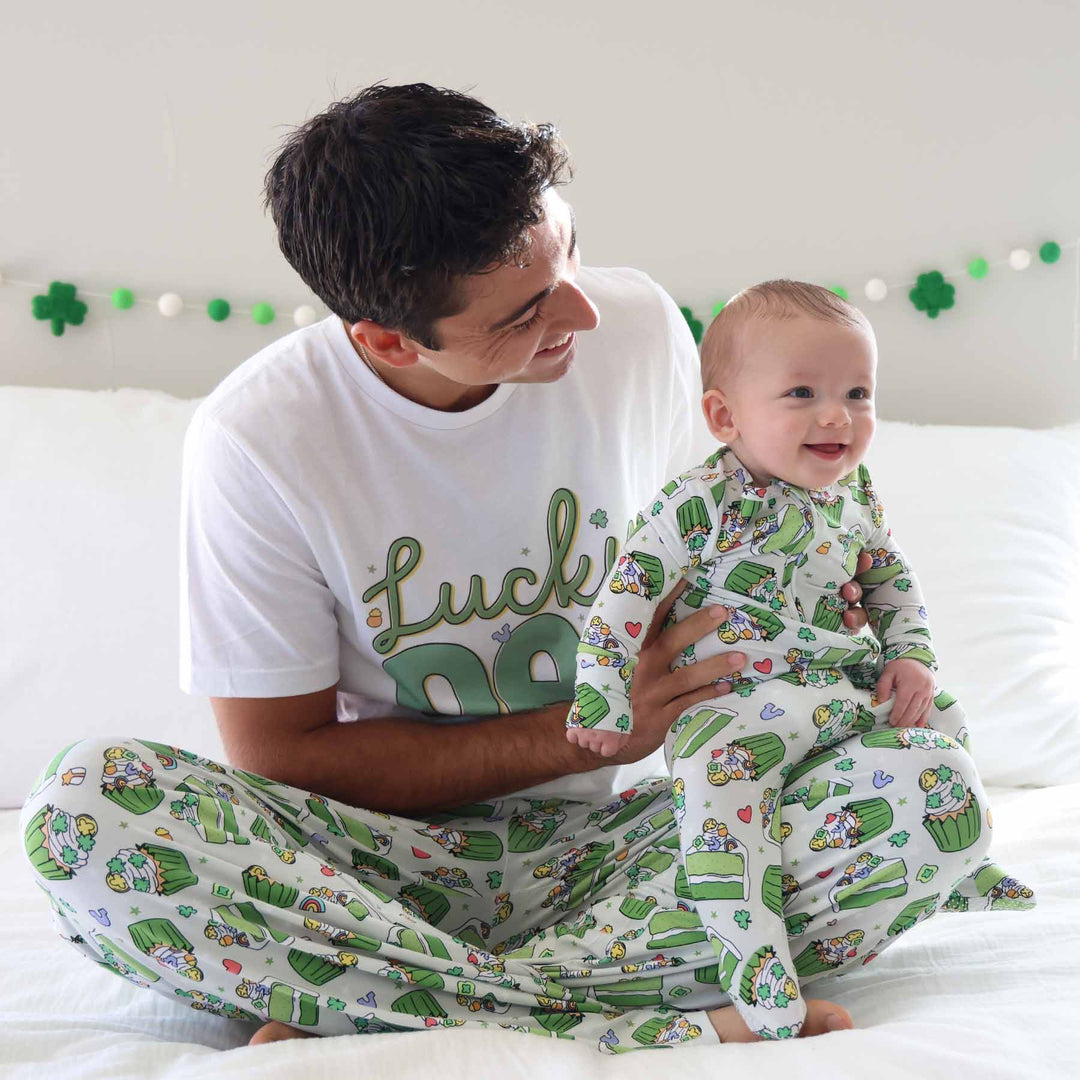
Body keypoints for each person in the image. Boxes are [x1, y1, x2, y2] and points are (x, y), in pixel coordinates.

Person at [19, 83, 993, 1053]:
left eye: (567, 252)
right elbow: (280, 757)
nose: (581, 309)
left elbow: (727, 551)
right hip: (359, 866)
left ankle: (366, 1002)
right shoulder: (259, 438)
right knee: (83, 813)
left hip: (621, 859)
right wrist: (584, 738)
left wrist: (835, 636)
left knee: (935, 797)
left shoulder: (643, 330)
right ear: (391, 340)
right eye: (526, 311)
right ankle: (642, 1019)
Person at [566, 279, 1036, 1037]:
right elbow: (624, 594)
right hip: (731, 711)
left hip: (838, 692)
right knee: (725, 816)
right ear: (725, 416)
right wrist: (600, 695)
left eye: (858, 392)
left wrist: (911, 656)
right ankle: (755, 967)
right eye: (802, 393)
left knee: (940, 715)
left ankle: (963, 863)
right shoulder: (697, 503)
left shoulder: (855, 494)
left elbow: (890, 579)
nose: (836, 416)